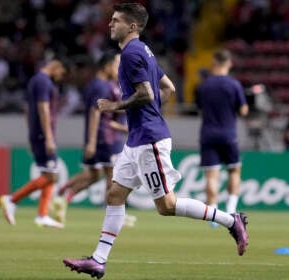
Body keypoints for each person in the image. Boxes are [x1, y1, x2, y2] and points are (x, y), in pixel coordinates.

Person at [61, 3, 249, 279]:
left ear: (132, 26)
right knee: (114, 194)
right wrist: (146, 113)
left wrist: (115, 107)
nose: (110, 24)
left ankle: (231, 220)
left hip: (149, 139)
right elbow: (168, 88)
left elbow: (147, 93)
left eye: (115, 21)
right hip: (138, 138)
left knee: (167, 206)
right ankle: (98, 260)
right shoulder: (144, 51)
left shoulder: (130, 54)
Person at [52, 51, 135, 227]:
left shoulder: (96, 85)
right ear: (106, 66)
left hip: (100, 135)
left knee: (92, 175)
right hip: (106, 137)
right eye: (115, 65)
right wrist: (91, 141)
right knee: (112, 177)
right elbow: (95, 112)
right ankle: (114, 214)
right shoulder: (102, 86)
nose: (117, 69)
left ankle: (63, 195)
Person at [0, 58, 68, 229]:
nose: (60, 77)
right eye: (62, 73)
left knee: (49, 172)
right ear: (55, 66)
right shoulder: (43, 82)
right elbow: (43, 109)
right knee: (51, 175)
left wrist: (31, 134)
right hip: (43, 134)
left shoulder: (35, 81)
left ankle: (42, 215)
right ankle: (12, 199)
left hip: (37, 133)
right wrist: (49, 137)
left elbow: (27, 109)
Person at [195, 49, 249, 226]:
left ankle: (214, 215)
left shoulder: (203, 86)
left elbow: (199, 108)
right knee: (234, 170)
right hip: (228, 134)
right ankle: (232, 210)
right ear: (229, 63)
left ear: (213, 62)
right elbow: (243, 110)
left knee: (212, 175)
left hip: (208, 134)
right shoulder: (234, 85)